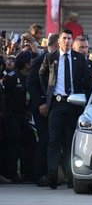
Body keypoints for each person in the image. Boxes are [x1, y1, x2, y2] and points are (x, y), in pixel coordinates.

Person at [39, 29, 92, 189]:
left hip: (73, 104)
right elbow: (42, 74)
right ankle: (52, 177)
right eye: (64, 38)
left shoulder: (79, 59)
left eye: (70, 38)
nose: (67, 41)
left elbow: (88, 80)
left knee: (71, 141)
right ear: (59, 40)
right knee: (53, 141)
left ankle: (72, 178)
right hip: (56, 104)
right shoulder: (51, 57)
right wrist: (47, 94)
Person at [26, 33, 59, 187]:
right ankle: (39, 173)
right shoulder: (40, 60)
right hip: (41, 107)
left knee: (52, 140)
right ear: (56, 44)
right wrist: (41, 102)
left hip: (54, 106)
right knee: (44, 138)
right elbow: (31, 84)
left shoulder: (60, 61)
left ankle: (51, 172)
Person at [2, 51, 33, 183]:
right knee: (13, 144)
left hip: (23, 116)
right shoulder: (11, 77)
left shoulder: (28, 77)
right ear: (26, 65)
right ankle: (11, 173)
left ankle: (29, 172)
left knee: (30, 141)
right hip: (11, 116)